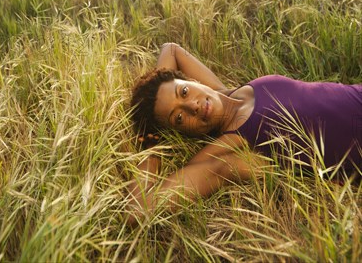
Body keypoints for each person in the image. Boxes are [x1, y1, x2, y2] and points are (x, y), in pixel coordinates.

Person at [126, 42, 362, 226]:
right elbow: (137, 211)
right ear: (181, 131)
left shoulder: (229, 93)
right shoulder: (223, 152)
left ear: (189, 79)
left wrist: (154, 92)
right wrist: (150, 141)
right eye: (178, 118)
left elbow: (171, 49)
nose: (192, 106)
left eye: (184, 92)